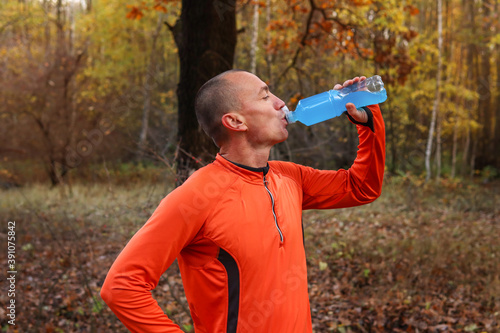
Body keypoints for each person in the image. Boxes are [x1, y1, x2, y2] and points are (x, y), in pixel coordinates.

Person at [100, 69, 385, 332]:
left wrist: (368, 121)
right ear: (235, 121)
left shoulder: (290, 177)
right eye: (265, 96)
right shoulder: (197, 195)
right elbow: (122, 286)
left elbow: (362, 188)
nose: (280, 103)